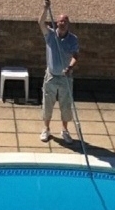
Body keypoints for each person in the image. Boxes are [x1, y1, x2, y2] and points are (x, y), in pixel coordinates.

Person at [38, 0, 79, 144]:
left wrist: (70, 67)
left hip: (65, 77)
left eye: (65, 22)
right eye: (61, 21)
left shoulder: (73, 39)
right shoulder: (50, 35)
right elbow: (40, 23)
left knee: (65, 104)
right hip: (51, 75)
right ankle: (46, 129)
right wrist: (45, 8)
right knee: (47, 103)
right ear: (57, 22)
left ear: (68, 25)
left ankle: (65, 130)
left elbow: (75, 56)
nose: (62, 24)